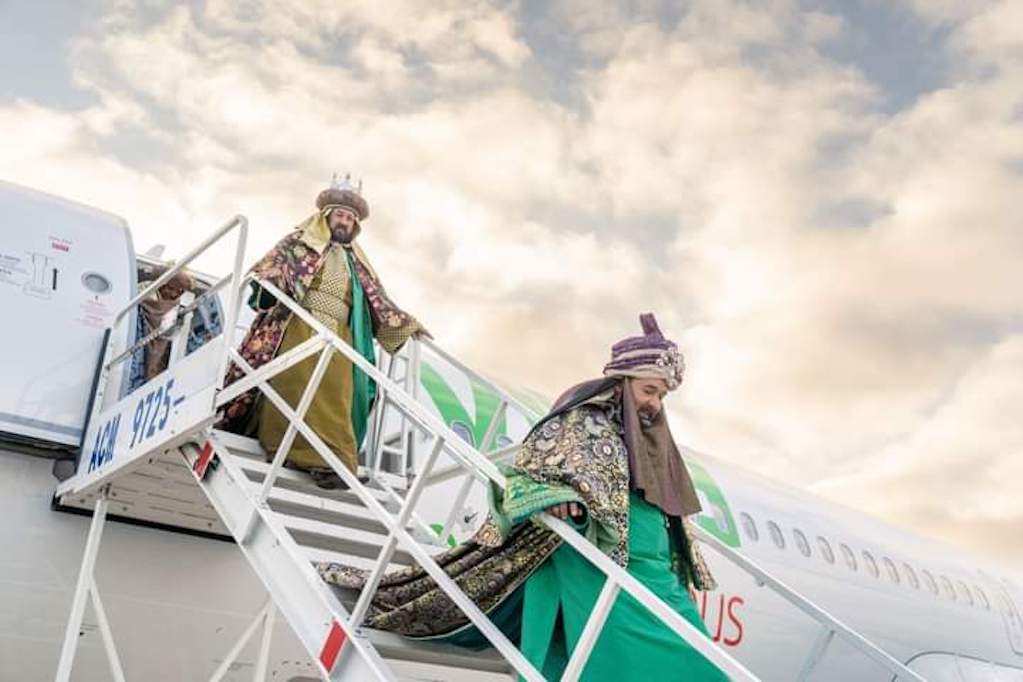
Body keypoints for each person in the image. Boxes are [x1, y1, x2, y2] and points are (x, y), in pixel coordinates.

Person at [318, 313, 727, 680]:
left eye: (661, 396)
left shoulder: (655, 442)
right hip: (605, 569)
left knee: (699, 659)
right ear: (622, 382)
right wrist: (558, 498)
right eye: (649, 391)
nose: (654, 404)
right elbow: (526, 475)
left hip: (657, 575)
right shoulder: (580, 421)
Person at [218, 176, 426, 488]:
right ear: (326, 215)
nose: (346, 221)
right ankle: (290, 450)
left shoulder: (357, 262)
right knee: (295, 382)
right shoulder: (299, 243)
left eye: (351, 218)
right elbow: (268, 269)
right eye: (341, 214)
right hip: (300, 322)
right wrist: (273, 282)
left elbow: (377, 298)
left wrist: (407, 324)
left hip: (340, 333)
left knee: (339, 395)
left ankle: (334, 462)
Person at [139, 270, 194, 380]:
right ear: (163, 284)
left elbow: (169, 333)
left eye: (179, 292)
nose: (173, 295)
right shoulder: (143, 293)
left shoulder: (178, 306)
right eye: (171, 289)